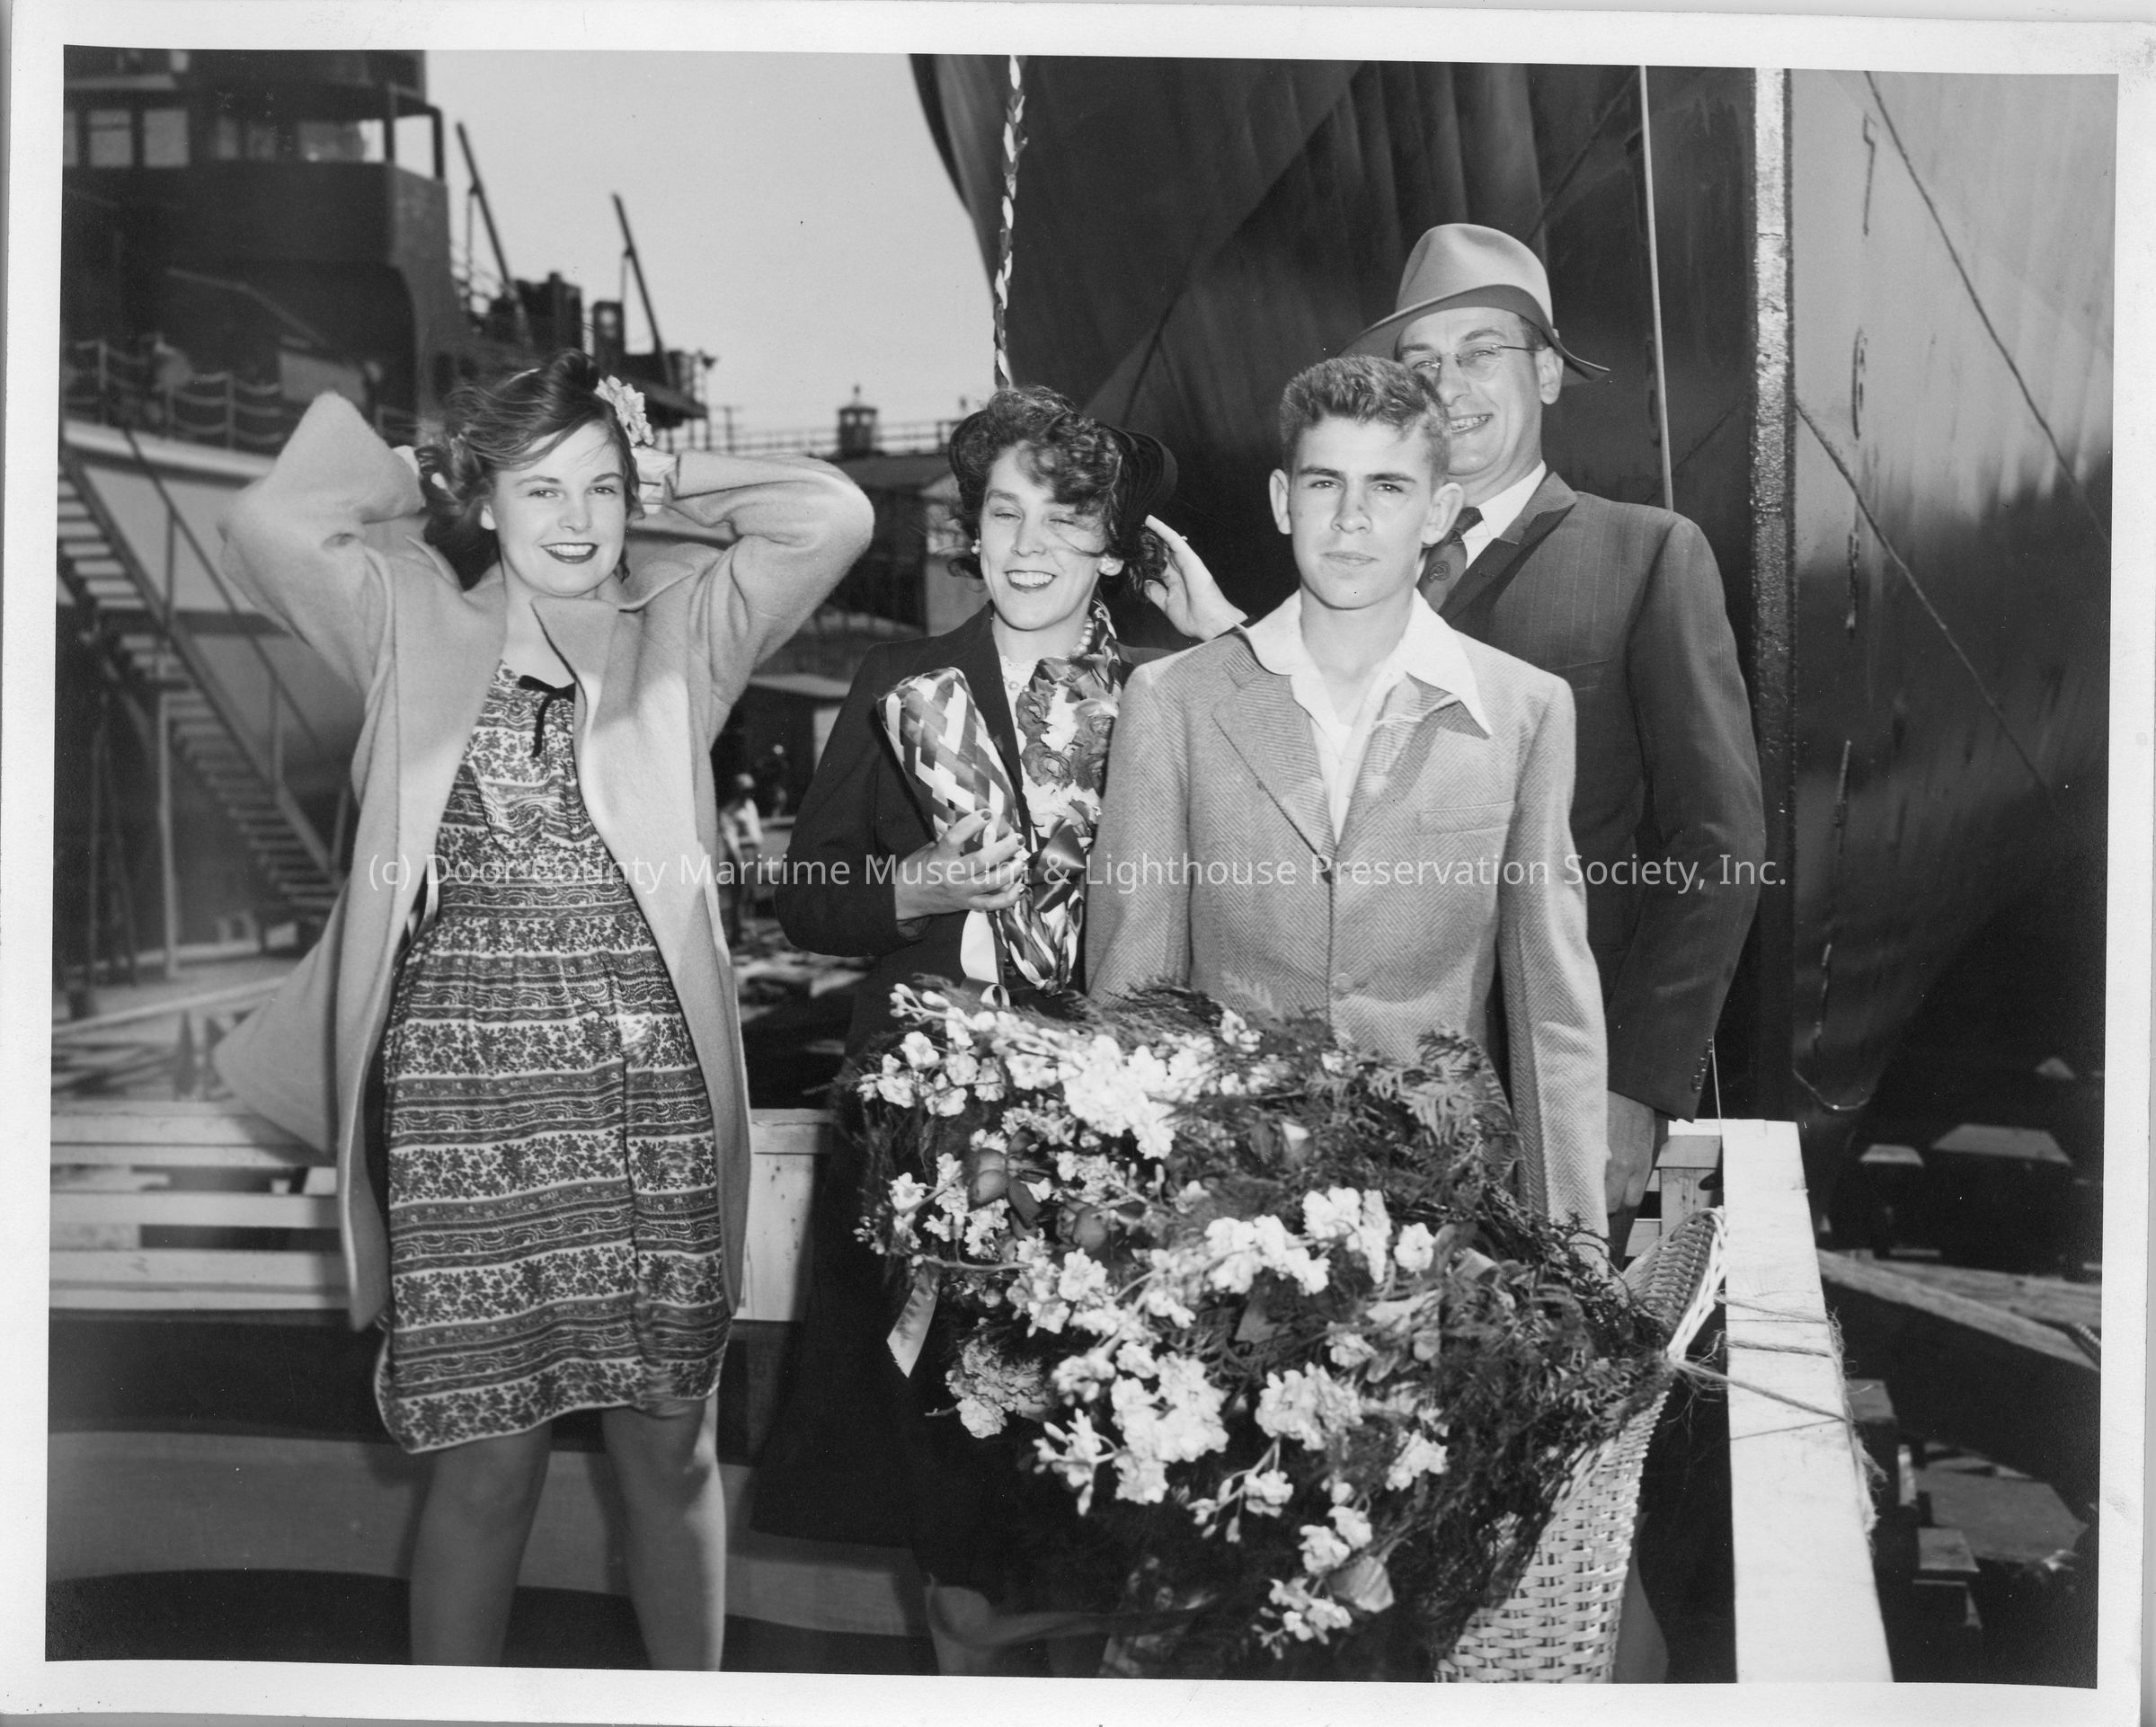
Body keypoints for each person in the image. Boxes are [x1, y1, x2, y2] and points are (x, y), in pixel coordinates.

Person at [211, 351, 874, 1668]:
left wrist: (668, 464)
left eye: (600, 489)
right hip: (469, 1109)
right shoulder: (403, 615)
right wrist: (429, 467)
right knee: (487, 1467)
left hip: (648, 1094)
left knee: (669, 1450)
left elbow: (831, 516)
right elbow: (271, 520)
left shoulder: (682, 627)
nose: (575, 520)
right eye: (539, 488)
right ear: (488, 500)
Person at [753, 384, 1244, 1673]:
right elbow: (805, 894)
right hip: (928, 1134)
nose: (1029, 546)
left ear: (1115, 546)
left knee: (1108, 1482)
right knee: (954, 1512)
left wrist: (1226, 636)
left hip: (1110, 1137)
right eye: (1005, 514)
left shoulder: (1170, 685)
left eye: (1066, 518)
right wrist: (907, 890)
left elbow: (1284, 821)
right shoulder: (899, 680)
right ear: (969, 531)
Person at [1087, 354, 1609, 1239]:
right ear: (1282, 499)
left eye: (1388, 487)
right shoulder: (1172, 702)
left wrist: (1575, 1257)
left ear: (1438, 510)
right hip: (1223, 1220)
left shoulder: (1524, 711)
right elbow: (1130, 990)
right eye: (1324, 483)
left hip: (1448, 1229)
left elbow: (1552, 1010)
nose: (1351, 518)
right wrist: (1124, 1229)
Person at [1343, 223, 1766, 1245]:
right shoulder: (1353, 575)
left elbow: (1717, 845)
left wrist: (1635, 1083)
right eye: (1421, 363)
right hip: (1362, 1100)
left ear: (1543, 372)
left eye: (1480, 351)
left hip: (1556, 1093)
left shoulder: (1645, 555)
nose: (1449, 386)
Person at [717, 770, 765, 943]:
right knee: (739, 894)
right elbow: (731, 840)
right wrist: (740, 861)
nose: (747, 794)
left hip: (753, 850)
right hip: (740, 854)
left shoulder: (750, 805)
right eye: (744, 790)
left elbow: (755, 829)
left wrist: (758, 852)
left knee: (751, 892)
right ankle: (738, 933)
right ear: (736, 790)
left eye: (750, 790)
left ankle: (750, 928)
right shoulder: (729, 812)